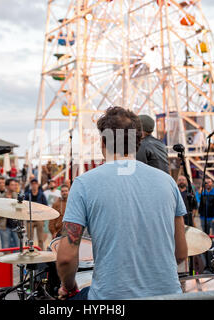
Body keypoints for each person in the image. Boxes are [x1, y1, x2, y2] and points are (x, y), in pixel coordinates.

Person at [56, 106, 187, 300]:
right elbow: (180, 253)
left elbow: (66, 258)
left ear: (102, 142)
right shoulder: (168, 182)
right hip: (168, 295)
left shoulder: (84, 184)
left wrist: (68, 287)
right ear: (139, 142)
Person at [24, 178, 48, 250]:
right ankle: (29, 251)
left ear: (38, 185)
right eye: (33, 184)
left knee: (40, 238)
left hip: (39, 218)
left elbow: (45, 206)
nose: (34, 185)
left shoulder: (41, 194)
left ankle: (41, 251)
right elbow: (24, 205)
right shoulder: (27, 194)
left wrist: (43, 218)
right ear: (31, 185)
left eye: (35, 184)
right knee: (29, 238)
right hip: (29, 219)